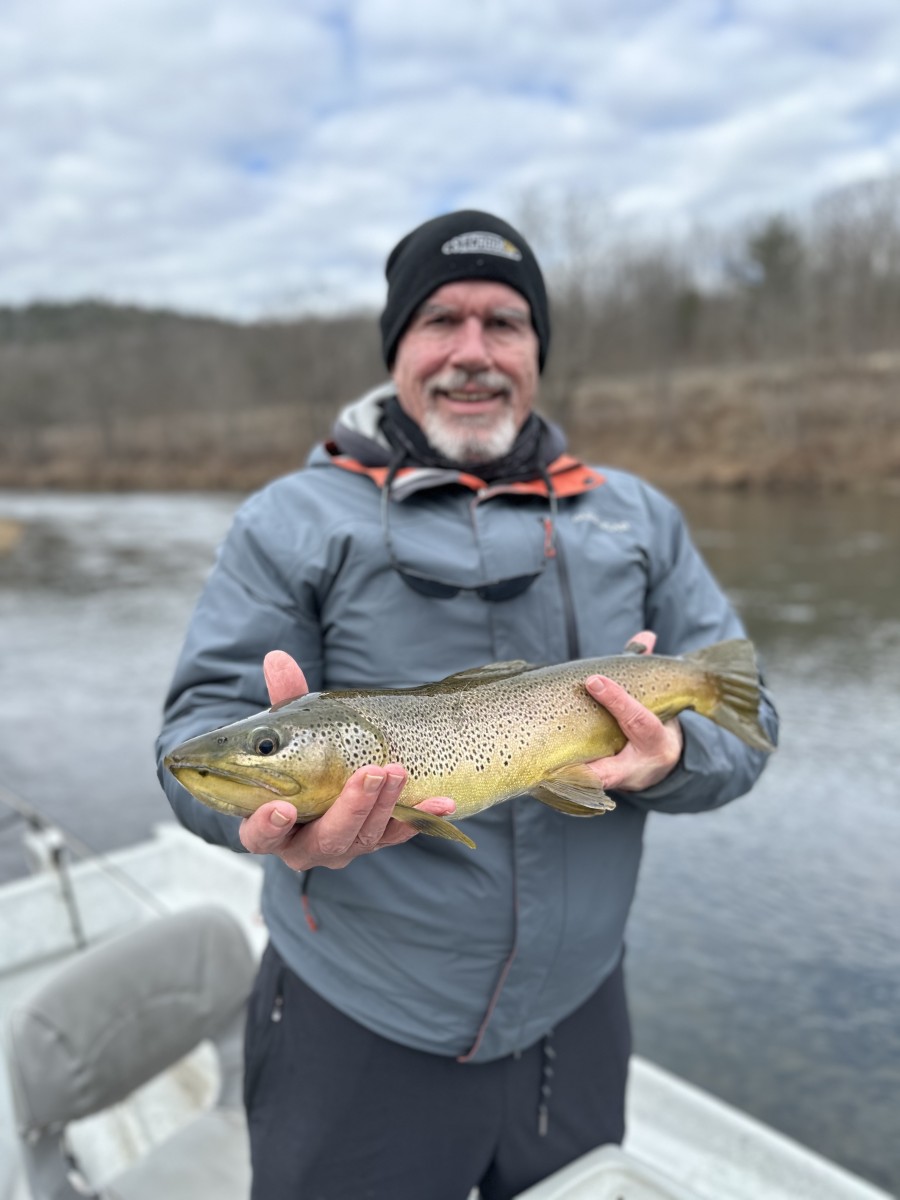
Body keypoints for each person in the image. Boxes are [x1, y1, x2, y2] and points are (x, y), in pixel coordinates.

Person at [156, 209, 778, 1200]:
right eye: (441, 320)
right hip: (357, 1022)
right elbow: (190, 751)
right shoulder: (289, 521)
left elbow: (752, 726)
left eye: (505, 322)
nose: (472, 353)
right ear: (397, 346)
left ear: (538, 350)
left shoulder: (639, 516)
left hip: (576, 1019)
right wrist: (265, 828)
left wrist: (673, 761)